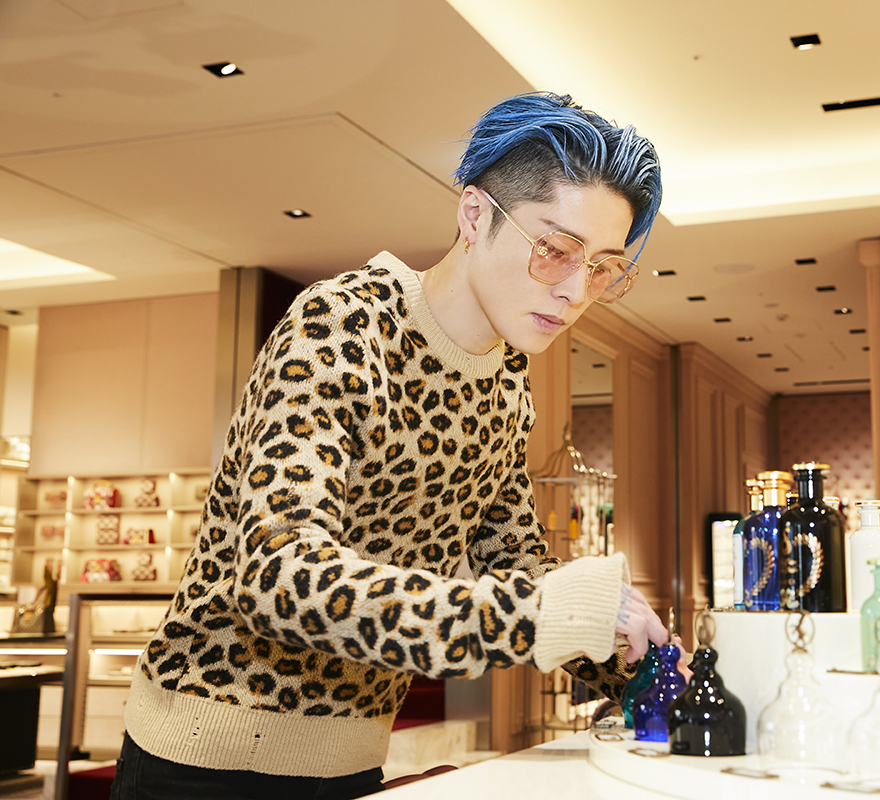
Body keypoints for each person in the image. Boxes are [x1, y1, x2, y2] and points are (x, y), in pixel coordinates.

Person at [110, 92, 668, 799]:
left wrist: (639, 656)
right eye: (556, 251)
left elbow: (516, 566)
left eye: (603, 268)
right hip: (200, 760)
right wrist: (542, 614)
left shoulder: (507, 385)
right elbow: (279, 575)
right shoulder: (341, 325)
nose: (576, 292)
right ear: (475, 216)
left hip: (351, 760)